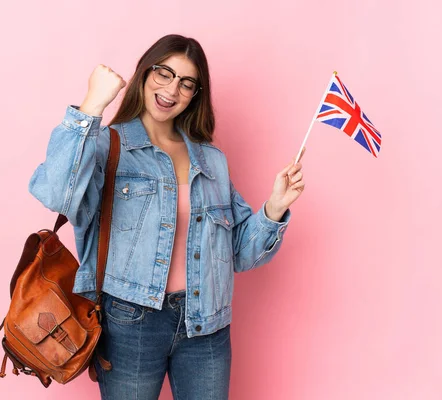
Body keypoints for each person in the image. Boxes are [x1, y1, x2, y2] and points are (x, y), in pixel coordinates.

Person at [29, 34, 305, 400]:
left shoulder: (211, 160)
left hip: (206, 323)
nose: (172, 89)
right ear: (145, 73)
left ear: (195, 94)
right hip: (130, 322)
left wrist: (273, 207)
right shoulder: (108, 146)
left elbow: (239, 253)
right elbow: (55, 192)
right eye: (164, 73)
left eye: (186, 83)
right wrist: (92, 104)